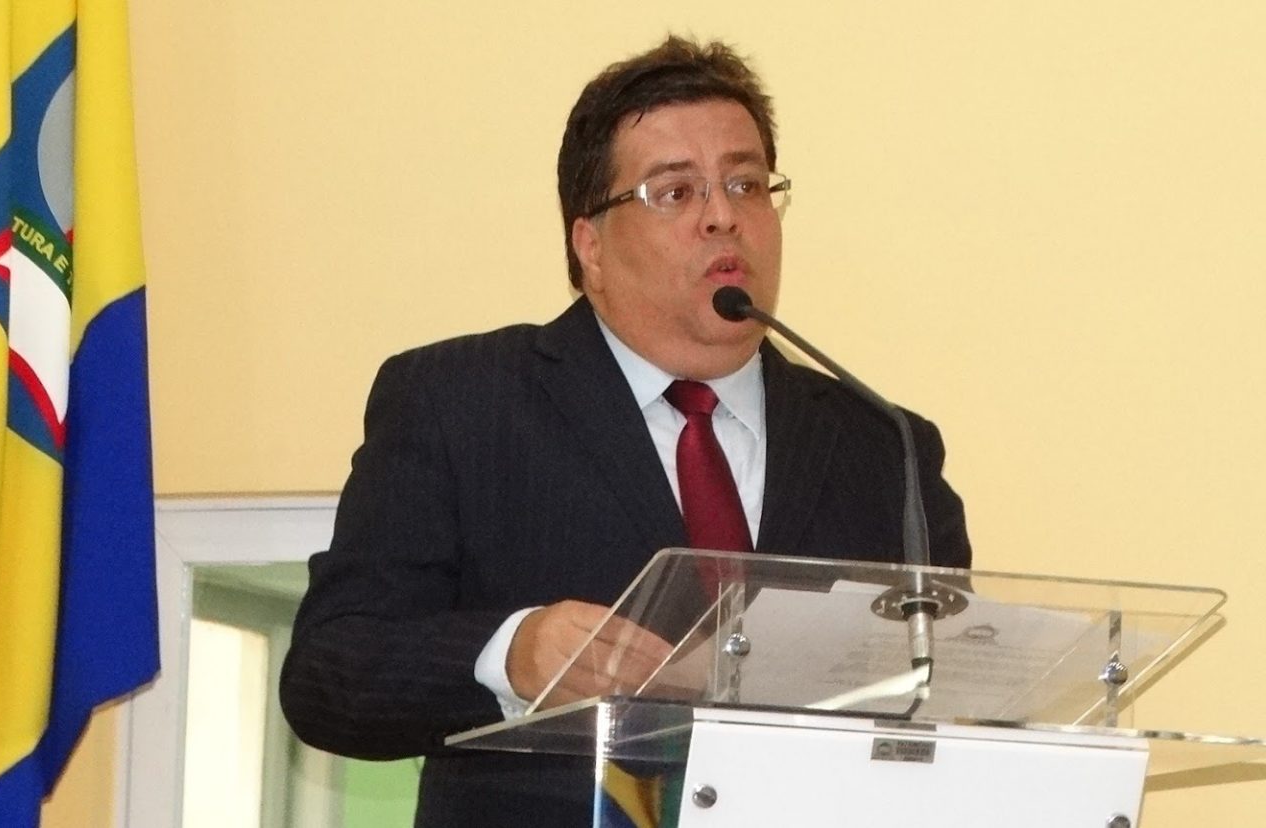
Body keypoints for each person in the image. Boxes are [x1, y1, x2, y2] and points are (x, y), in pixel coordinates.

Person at [279, 35, 971, 826]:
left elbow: (952, 701)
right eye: (675, 192)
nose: (723, 216)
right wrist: (513, 653)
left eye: (746, 184)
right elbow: (330, 673)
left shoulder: (885, 446)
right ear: (591, 246)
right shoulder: (459, 404)